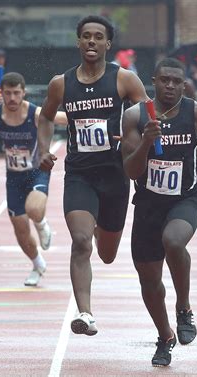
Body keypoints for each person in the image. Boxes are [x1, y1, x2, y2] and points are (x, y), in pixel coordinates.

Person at [37, 15, 150, 335]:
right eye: (86, 36)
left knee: (108, 254)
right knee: (81, 241)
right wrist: (44, 150)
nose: (91, 41)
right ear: (78, 42)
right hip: (79, 174)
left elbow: (149, 117)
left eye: (98, 37)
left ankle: (103, 227)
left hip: (115, 175)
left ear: (107, 44)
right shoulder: (62, 83)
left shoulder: (124, 79)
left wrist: (132, 138)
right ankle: (85, 313)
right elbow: (45, 117)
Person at [121, 58, 197, 366]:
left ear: (184, 85)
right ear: (153, 82)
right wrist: (146, 143)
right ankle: (164, 335)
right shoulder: (135, 116)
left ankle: (183, 306)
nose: (170, 86)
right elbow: (130, 171)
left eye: (176, 81)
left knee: (174, 241)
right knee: (149, 280)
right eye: (164, 80)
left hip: (185, 197)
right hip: (147, 202)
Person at [0, 72, 67, 286]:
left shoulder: (35, 113)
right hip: (13, 177)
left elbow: (61, 117)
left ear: (23, 93)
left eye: (17, 93)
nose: (12, 98)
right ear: (2, 94)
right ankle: (37, 264)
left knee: (33, 209)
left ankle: (42, 224)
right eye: (8, 93)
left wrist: (89, 116)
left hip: (37, 171)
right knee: (20, 229)